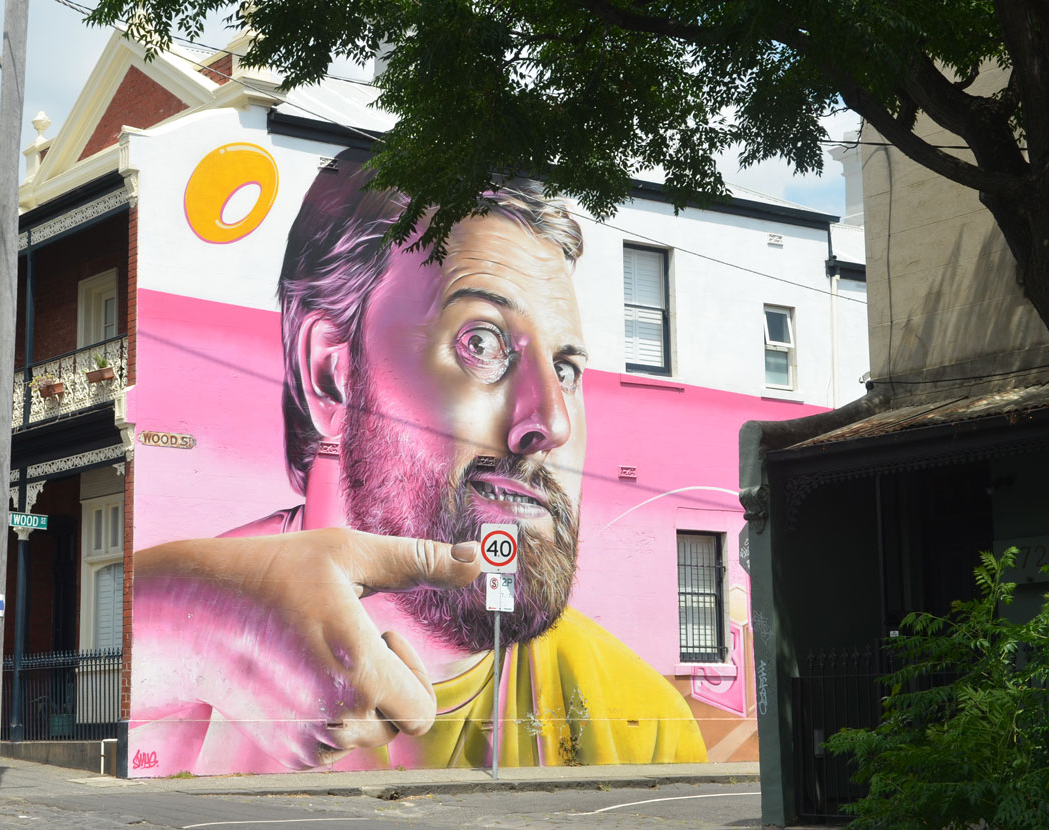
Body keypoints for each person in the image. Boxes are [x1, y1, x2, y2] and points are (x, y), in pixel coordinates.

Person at [130, 150, 707, 774]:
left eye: (565, 369)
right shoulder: (168, 668)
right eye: (480, 341)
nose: (552, 423)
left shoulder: (647, 728)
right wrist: (181, 614)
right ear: (330, 374)